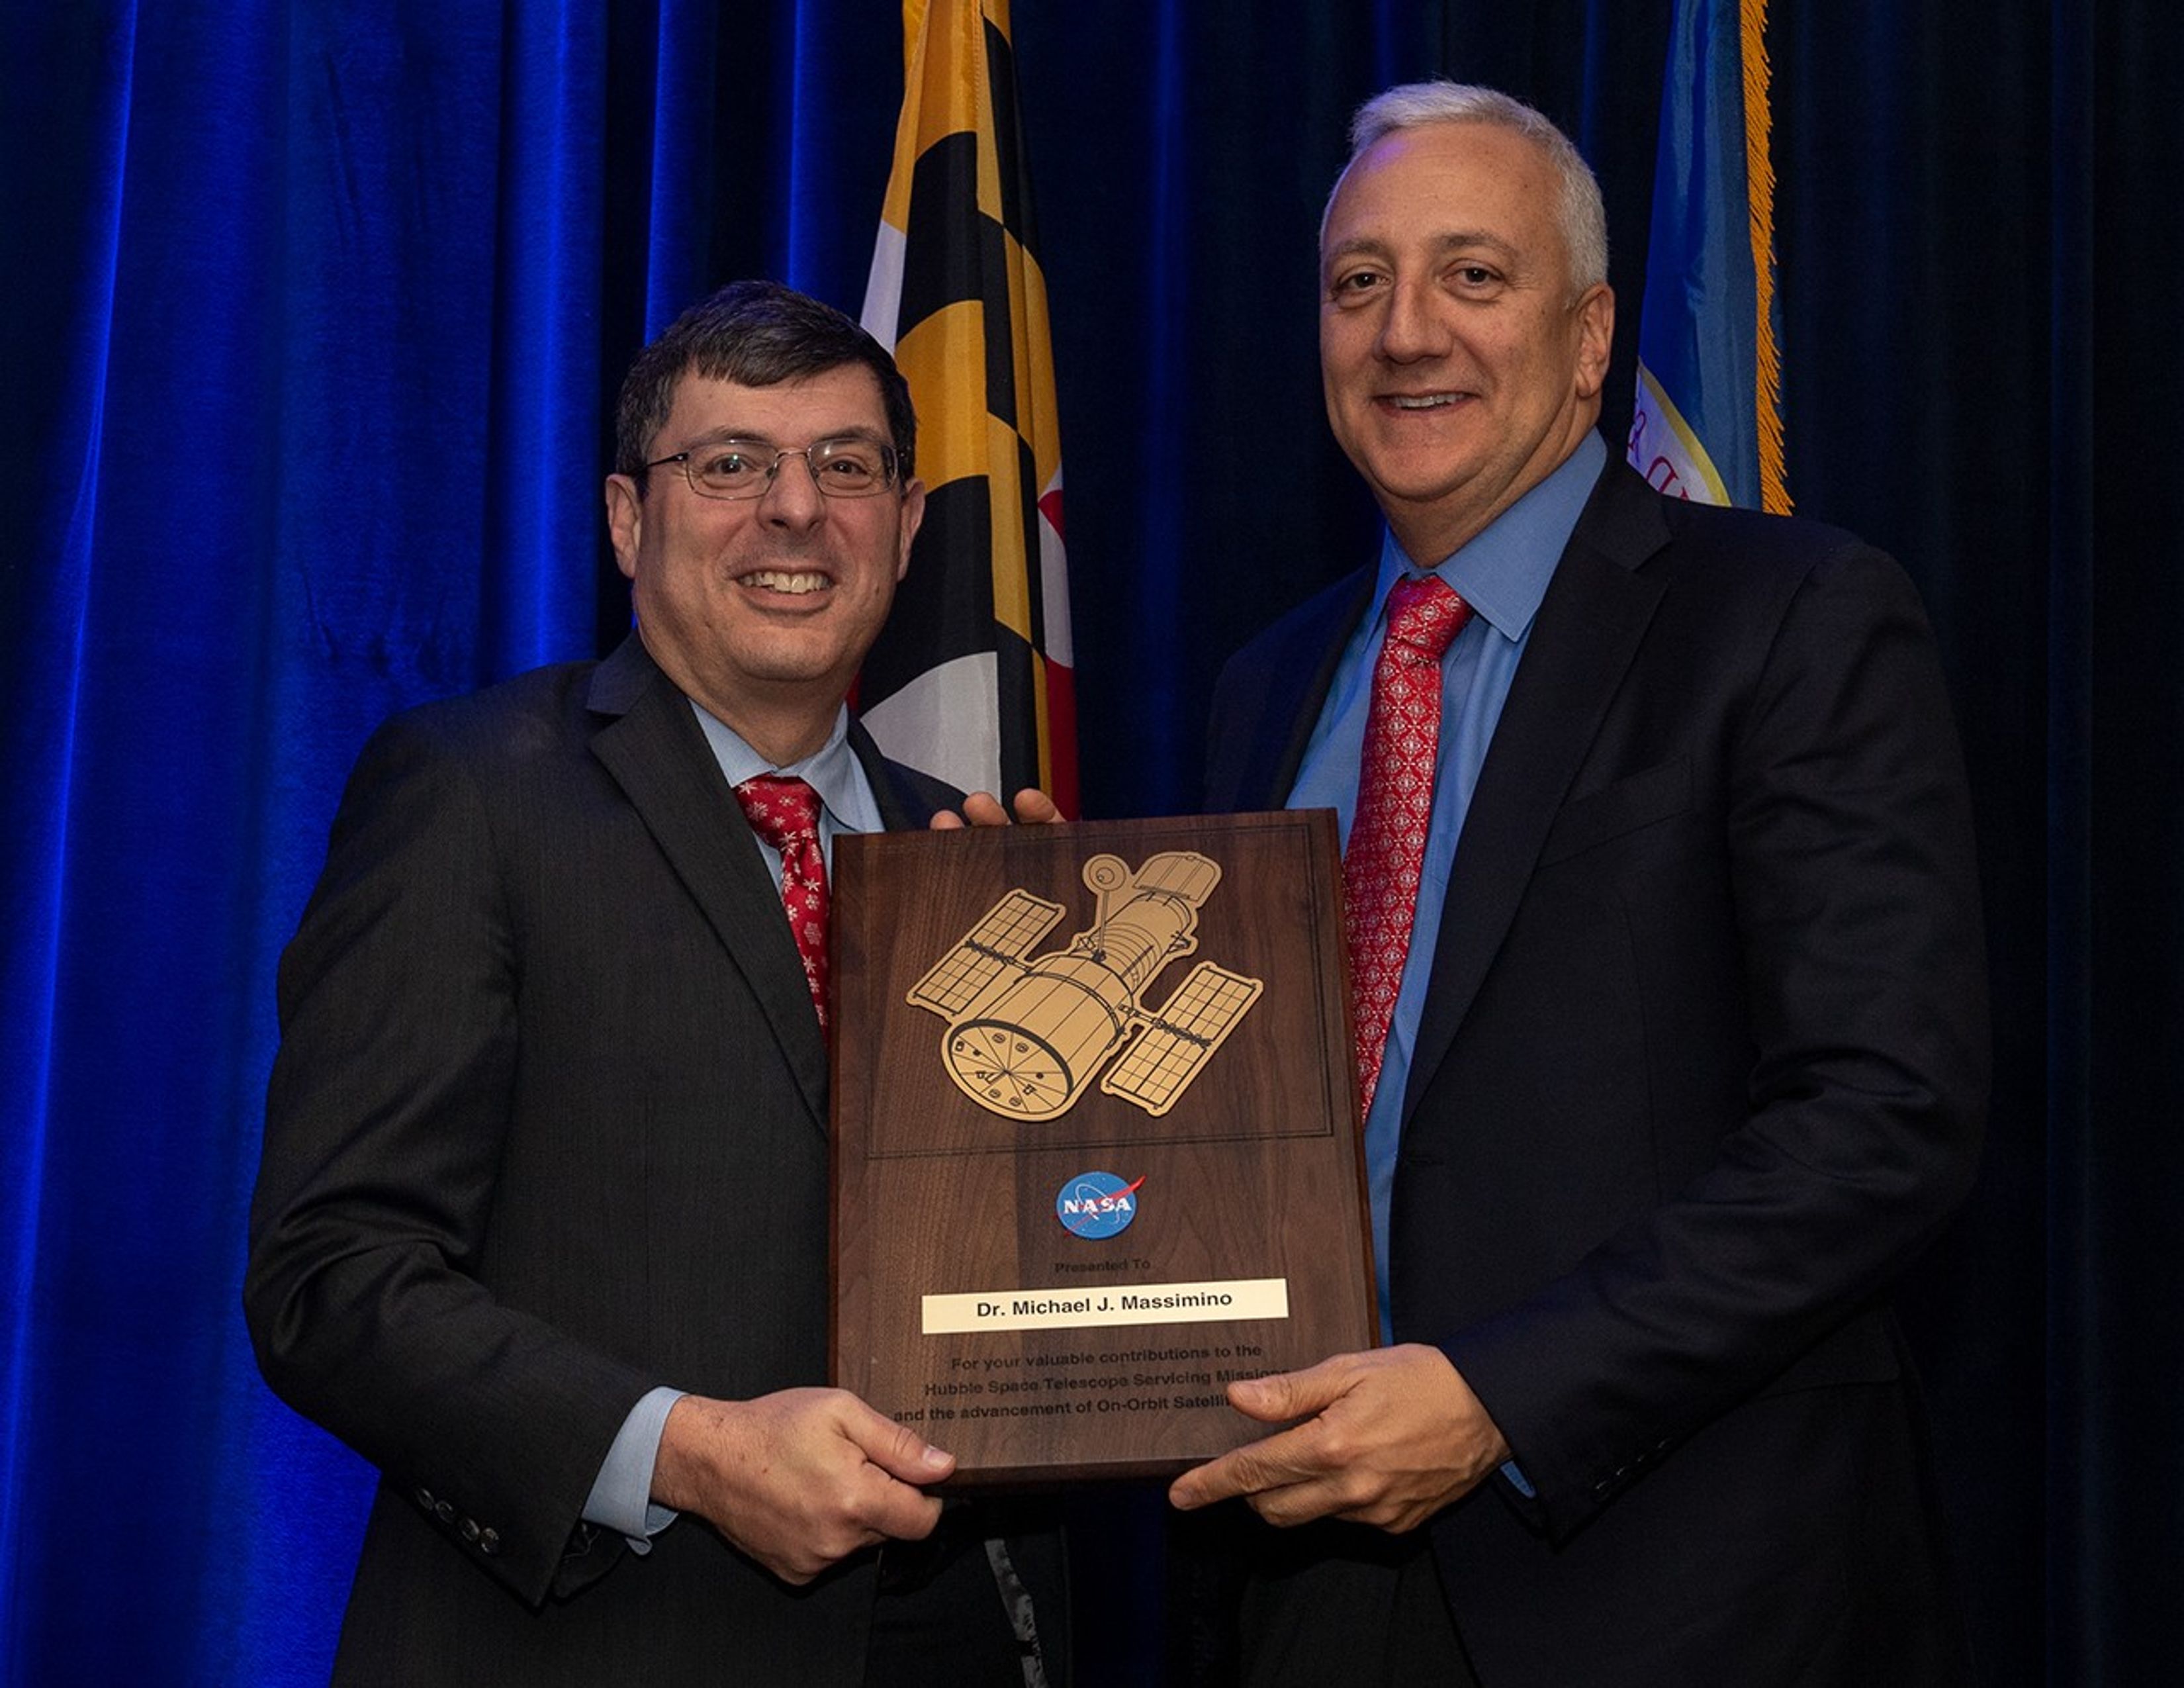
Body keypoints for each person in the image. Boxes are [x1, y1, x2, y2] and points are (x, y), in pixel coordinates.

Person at [1168, 83, 1987, 1684]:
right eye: (1359, 284)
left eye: (1474, 275)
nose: (1408, 332)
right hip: (1305, 1578)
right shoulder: (1263, 687)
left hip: (1683, 1583)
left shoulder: (1790, 616)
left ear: (1592, 332)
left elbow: (1884, 1117)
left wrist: (1497, 1396)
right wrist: (1016, 939)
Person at [246, 281, 1065, 1685]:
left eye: (845, 466)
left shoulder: (974, 860)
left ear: (910, 524)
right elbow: (334, 1278)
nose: (795, 511)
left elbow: (1044, 1260)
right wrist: (687, 1451)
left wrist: (1093, 1102)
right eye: (731, 464)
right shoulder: (470, 795)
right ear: (630, 517)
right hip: (597, 1640)